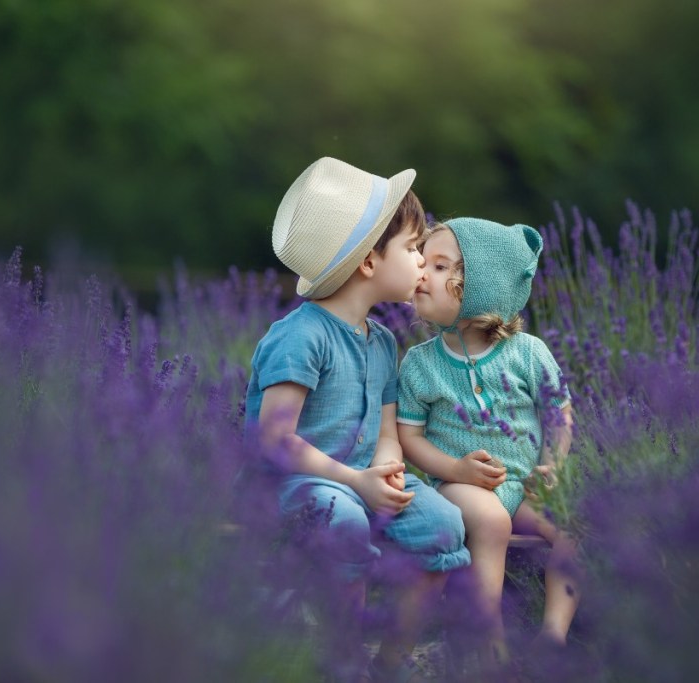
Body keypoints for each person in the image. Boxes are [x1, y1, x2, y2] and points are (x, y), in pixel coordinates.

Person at [244, 157, 471, 681]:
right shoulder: (301, 337)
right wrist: (354, 481)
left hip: (361, 480)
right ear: (369, 262)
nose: (422, 260)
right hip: (295, 484)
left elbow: (388, 432)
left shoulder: (383, 342)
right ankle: (343, 660)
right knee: (342, 520)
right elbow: (275, 440)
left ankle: (390, 661)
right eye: (414, 248)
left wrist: (387, 472)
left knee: (443, 524)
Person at [396, 217, 580, 665]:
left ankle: (553, 633)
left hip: (526, 483)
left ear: (479, 285)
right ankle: (489, 642)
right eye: (423, 260)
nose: (421, 272)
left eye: (440, 267)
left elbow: (559, 415)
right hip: (462, 486)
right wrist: (455, 470)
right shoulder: (420, 364)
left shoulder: (529, 353)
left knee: (577, 531)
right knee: (492, 522)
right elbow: (409, 436)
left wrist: (553, 465)